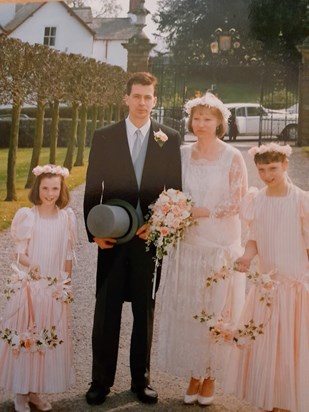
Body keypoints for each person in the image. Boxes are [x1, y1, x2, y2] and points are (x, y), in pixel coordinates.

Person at [83, 71, 182, 405]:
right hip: (112, 234)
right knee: (107, 310)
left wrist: (158, 224)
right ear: (126, 98)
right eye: (136, 96)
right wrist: (93, 232)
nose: (142, 103)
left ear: (155, 100)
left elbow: (176, 191)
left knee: (145, 310)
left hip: (149, 239)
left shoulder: (169, 137)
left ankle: (141, 381)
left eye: (148, 97)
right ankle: (100, 381)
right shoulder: (104, 136)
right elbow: (92, 187)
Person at [157, 92, 248, 406]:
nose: (202, 124)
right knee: (191, 310)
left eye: (208, 119)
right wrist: (173, 210)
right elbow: (171, 189)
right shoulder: (182, 154)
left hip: (218, 241)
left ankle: (210, 376)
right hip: (189, 242)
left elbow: (239, 198)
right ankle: (194, 372)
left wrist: (203, 211)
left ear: (219, 122)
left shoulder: (231, 155)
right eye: (197, 118)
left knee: (215, 307)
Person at [228, 143, 309, 412]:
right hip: (267, 285)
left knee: (291, 348)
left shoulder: (301, 201)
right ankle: (271, 398)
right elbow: (254, 239)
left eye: (273, 168)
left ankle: (288, 400)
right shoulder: (256, 199)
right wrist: (246, 257)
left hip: (295, 286)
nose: (267, 175)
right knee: (268, 347)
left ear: (285, 165)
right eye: (261, 170)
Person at [0, 165, 77, 412]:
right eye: (45, 188)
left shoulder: (66, 217)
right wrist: (32, 266)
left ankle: (34, 391)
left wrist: (66, 283)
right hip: (31, 288)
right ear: (38, 189)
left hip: (54, 288)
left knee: (45, 339)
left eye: (55, 188)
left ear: (62, 189)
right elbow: (19, 254)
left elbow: (67, 254)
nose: (50, 193)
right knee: (27, 338)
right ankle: (20, 392)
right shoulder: (28, 216)